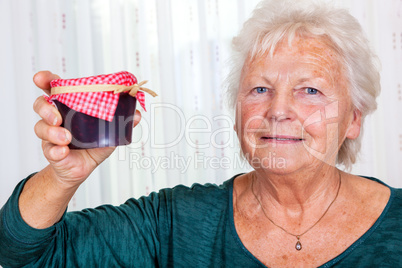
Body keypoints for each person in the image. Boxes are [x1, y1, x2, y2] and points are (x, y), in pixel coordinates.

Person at [1, 0, 401, 267]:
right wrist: (63, 175)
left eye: (310, 90)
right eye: (260, 89)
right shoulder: (174, 223)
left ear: (354, 119)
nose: (278, 110)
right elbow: (23, 253)